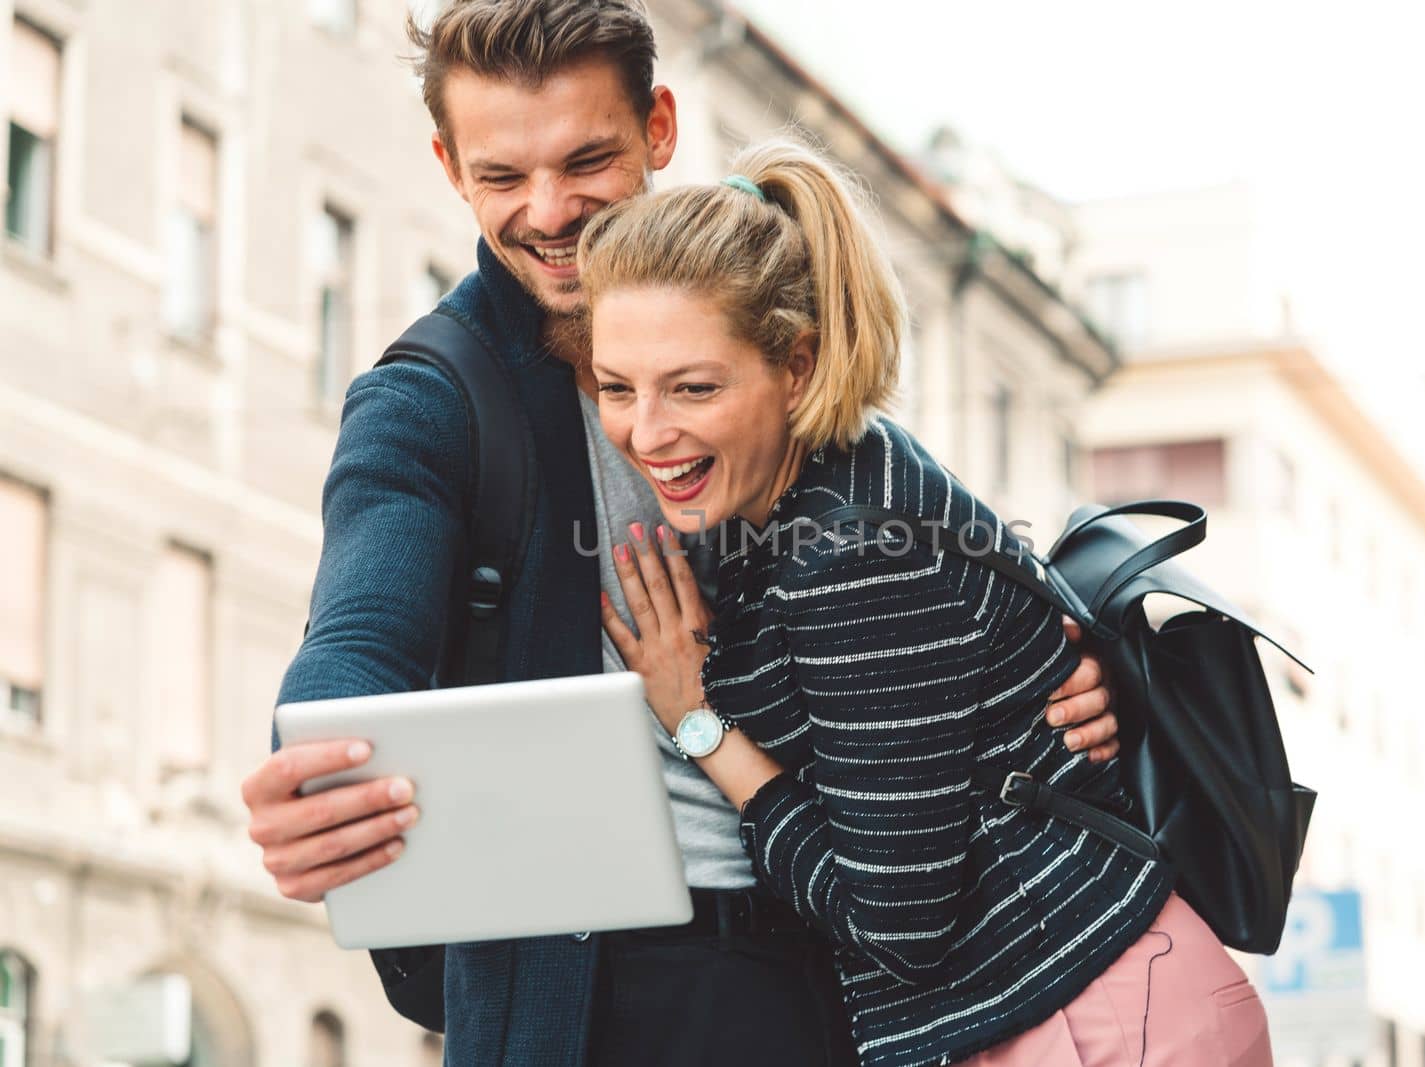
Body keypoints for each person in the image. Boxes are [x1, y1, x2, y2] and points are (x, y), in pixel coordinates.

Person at [236, 2, 1122, 1064]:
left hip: (850, 981)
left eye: (587, 159)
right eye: (503, 177)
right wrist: (318, 754)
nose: (550, 211)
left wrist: (1075, 668)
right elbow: (363, 614)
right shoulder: (433, 397)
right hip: (587, 989)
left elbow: (956, 571)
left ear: (659, 126)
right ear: (448, 166)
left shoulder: (763, 322)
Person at [579, 139, 1275, 1067]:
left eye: (693, 387)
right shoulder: (838, 472)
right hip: (1086, 999)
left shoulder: (847, 555)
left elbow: (900, 925)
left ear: (796, 365)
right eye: (617, 388)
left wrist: (697, 719)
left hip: (1087, 1023)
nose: (647, 431)